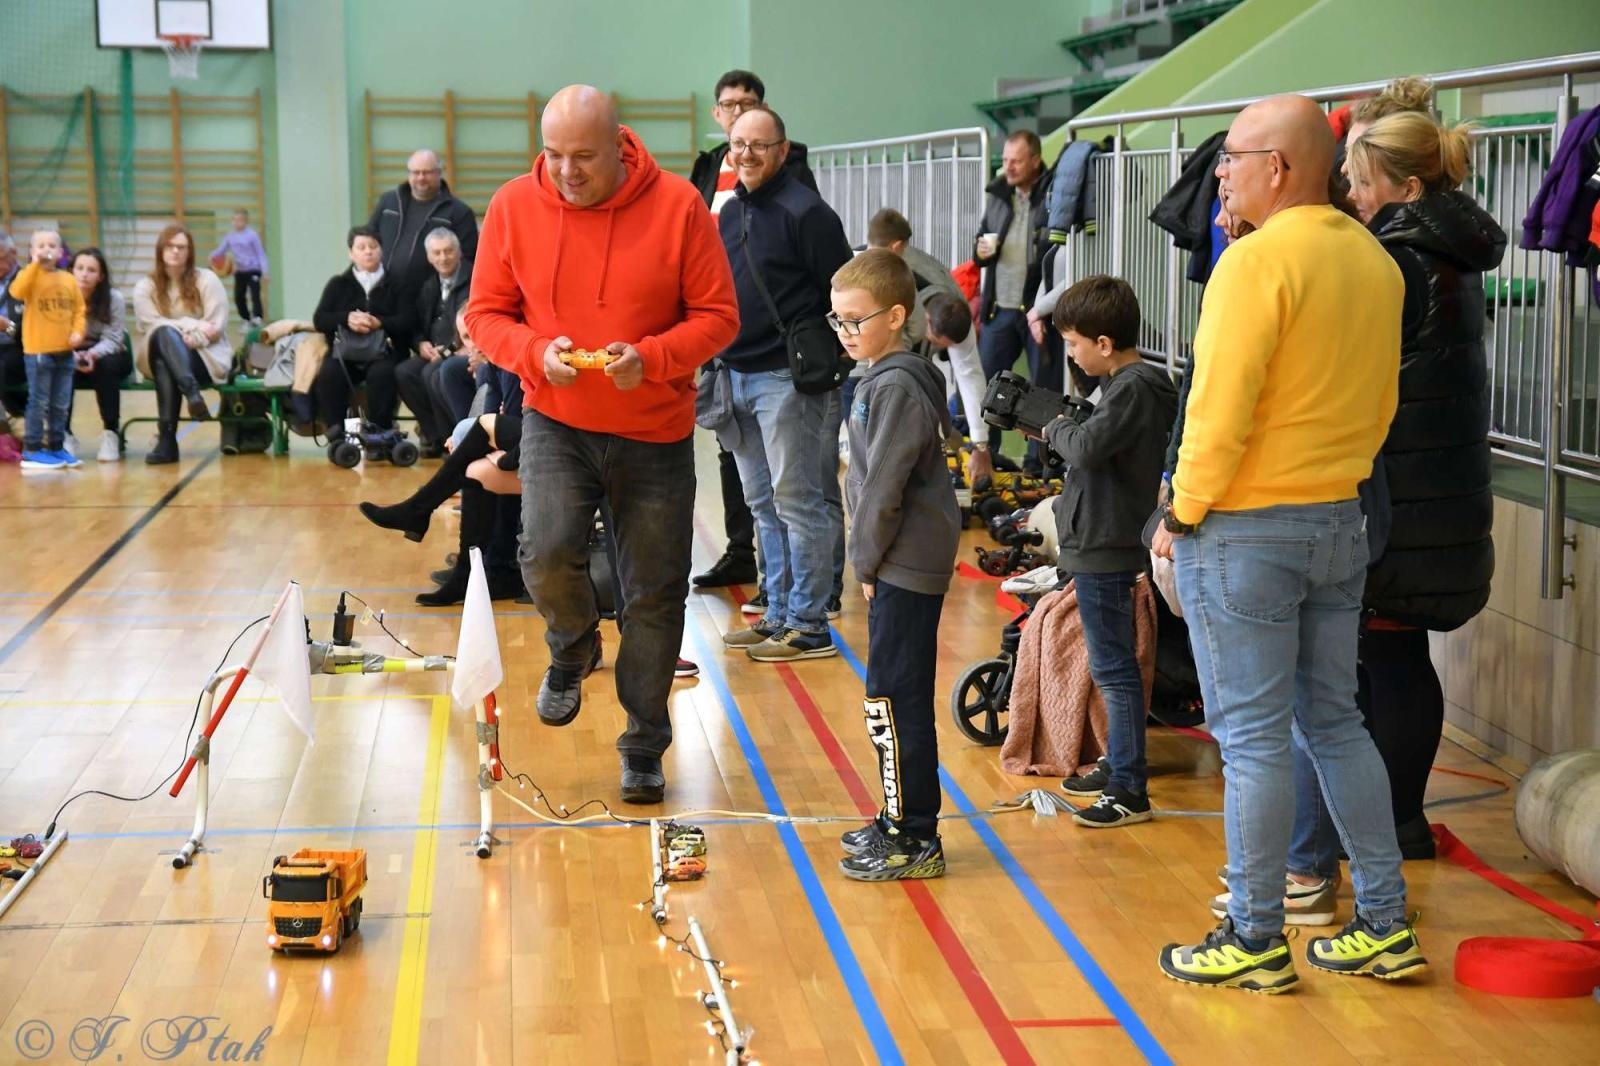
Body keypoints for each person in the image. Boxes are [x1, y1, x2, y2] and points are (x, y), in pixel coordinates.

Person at [1153, 95, 1425, 992]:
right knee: (1335, 724)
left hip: (1247, 530)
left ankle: (1254, 934)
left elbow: (1218, 407)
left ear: (1279, 167)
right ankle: (1384, 923)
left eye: (1231, 157)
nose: (1219, 173)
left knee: (1254, 741)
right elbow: (1382, 407)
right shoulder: (1375, 261)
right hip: (1338, 519)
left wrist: (1183, 510)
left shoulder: (1255, 261)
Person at [466, 85, 738, 804]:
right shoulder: (512, 208)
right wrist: (531, 351)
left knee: (653, 594)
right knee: (546, 551)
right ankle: (573, 644)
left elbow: (718, 317)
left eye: (582, 156)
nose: (564, 171)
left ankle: (644, 742)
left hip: (655, 431)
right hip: (557, 418)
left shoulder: (679, 207)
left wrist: (651, 357)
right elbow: (486, 314)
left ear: (620, 143)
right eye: (553, 154)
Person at [1282, 113, 1502, 867]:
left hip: (1405, 492)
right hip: (1427, 487)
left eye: (1363, 180)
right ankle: (1390, 816)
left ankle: (1395, 820)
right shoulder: (1441, 250)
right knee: (1392, 654)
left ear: (1409, 187)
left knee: (1393, 654)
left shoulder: (1404, 259)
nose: (1351, 191)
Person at [832, 249, 960, 881]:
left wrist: (863, 559)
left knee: (895, 698)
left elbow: (881, 484)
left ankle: (915, 836)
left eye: (857, 321)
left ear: (896, 316)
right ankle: (896, 816)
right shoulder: (880, 379)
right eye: (839, 322)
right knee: (888, 695)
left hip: (904, 562)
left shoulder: (898, 386)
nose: (847, 333)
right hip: (896, 559)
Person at [1036, 276, 1176, 827]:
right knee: (1109, 664)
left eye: (1073, 343)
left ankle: (1129, 787)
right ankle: (1120, 762)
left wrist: (1056, 428)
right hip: (1099, 541)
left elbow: (1088, 448)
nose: (1069, 353)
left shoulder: (1134, 386)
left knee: (1116, 670)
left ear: (1103, 343)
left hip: (1108, 545)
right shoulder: (1125, 385)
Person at [715, 105, 854, 662]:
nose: (746, 154)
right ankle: (776, 612)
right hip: (737, 375)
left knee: (799, 502)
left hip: (787, 380)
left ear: (781, 150)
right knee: (762, 503)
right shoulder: (729, 213)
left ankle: (810, 622)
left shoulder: (808, 212)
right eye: (738, 144)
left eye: (758, 145)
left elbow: (842, 291)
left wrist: (837, 365)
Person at [689, 69, 817, 591]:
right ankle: (746, 556)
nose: (737, 112)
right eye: (729, 106)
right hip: (723, 342)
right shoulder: (707, 169)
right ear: (718, 115)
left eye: (748, 103)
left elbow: (817, 265)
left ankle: (806, 603)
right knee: (742, 468)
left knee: (793, 489)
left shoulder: (793, 173)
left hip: (779, 353)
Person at [361, 308, 527, 604]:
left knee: (479, 433)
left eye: (476, 334)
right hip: (520, 445)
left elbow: (516, 427)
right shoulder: (491, 365)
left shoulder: (512, 360)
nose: (472, 344)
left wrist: (488, 447)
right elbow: (494, 419)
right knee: (475, 467)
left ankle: (417, 510)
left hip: (544, 449)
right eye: (466, 337)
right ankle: (472, 573)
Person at [864, 208, 992, 484]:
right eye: (933, 342)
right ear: (924, 320)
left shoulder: (957, 312)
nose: (935, 348)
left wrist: (981, 444)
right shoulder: (896, 296)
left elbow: (970, 377)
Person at [972, 129, 1060, 475]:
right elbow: (981, 240)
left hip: (1037, 310)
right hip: (999, 309)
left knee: (1043, 394)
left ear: (1035, 161)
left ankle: (1038, 468)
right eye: (1005, 160)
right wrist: (980, 251)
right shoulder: (997, 194)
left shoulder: (1052, 194)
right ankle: (984, 458)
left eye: (1016, 161)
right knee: (988, 387)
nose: (1007, 167)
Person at [131, 224, 231, 465]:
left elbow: (215, 327)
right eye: (170, 246)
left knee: (165, 362)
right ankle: (191, 393)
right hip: (163, 350)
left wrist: (193, 336)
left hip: (205, 357)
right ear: (160, 250)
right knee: (164, 337)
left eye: (181, 247)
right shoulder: (145, 287)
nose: (175, 251)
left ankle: (167, 441)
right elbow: (151, 326)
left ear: (190, 251)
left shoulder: (207, 280)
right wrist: (190, 325)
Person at [312, 226, 415, 442]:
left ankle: (379, 435)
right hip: (346, 352)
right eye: (361, 247)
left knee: (382, 376)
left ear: (381, 250)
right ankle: (337, 435)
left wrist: (380, 322)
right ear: (351, 253)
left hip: (386, 352)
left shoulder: (398, 283)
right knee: (329, 374)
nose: (368, 252)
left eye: (373, 246)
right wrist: (346, 318)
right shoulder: (338, 284)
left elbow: (409, 320)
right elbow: (320, 319)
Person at [9, 230, 86, 470]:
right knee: (39, 402)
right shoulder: (29, 276)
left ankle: (56, 446)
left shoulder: (68, 279)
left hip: (65, 353)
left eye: (51, 245)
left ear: (61, 252)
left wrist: (78, 332)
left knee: (60, 403)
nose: (46, 249)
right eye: (40, 245)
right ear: (32, 252)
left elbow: (79, 311)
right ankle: (32, 449)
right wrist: (34, 266)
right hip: (39, 351)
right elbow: (16, 291)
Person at [395, 227, 473, 457]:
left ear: (459, 253)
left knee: (432, 373)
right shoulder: (429, 285)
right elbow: (417, 323)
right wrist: (420, 343)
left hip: (461, 348)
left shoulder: (474, 279)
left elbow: (468, 323)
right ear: (429, 257)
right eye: (436, 253)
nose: (443, 258)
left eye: (448, 251)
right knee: (404, 372)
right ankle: (434, 435)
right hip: (433, 350)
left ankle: (452, 435)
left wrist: (448, 351)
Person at [367, 149, 479, 306]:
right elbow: (370, 239)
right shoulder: (388, 202)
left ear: (439, 173)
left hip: (429, 300)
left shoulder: (459, 212)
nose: (421, 178)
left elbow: (468, 260)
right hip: (385, 293)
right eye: (415, 172)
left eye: (427, 172)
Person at [67, 247, 131, 463]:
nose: (85, 274)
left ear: (101, 276)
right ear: (71, 271)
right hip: (72, 352)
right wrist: (73, 357)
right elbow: (57, 335)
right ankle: (64, 435)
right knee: (58, 364)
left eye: (91, 270)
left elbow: (113, 339)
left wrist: (92, 354)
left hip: (110, 352)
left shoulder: (114, 298)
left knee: (107, 366)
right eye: (80, 268)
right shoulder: (62, 298)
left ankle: (111, 432)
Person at [208, 208, 268, 325]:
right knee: (238, 297)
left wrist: (265, 271)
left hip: (254, 270)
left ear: (246, 221)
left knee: (255, 294)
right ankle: (245, 319)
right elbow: (221, 250)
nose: (237, 222)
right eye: (235, 220)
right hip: (240, 271)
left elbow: (261, 253)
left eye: (240, 220)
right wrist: (212, 256)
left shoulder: (252, 235)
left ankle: (257, 318)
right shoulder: (230, 237)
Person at [0, 230, 26, 422]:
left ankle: (13, 418)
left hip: (19, 349)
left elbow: (34, 334)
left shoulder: (28, 281)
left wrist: (7, 326)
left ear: (14, 253)